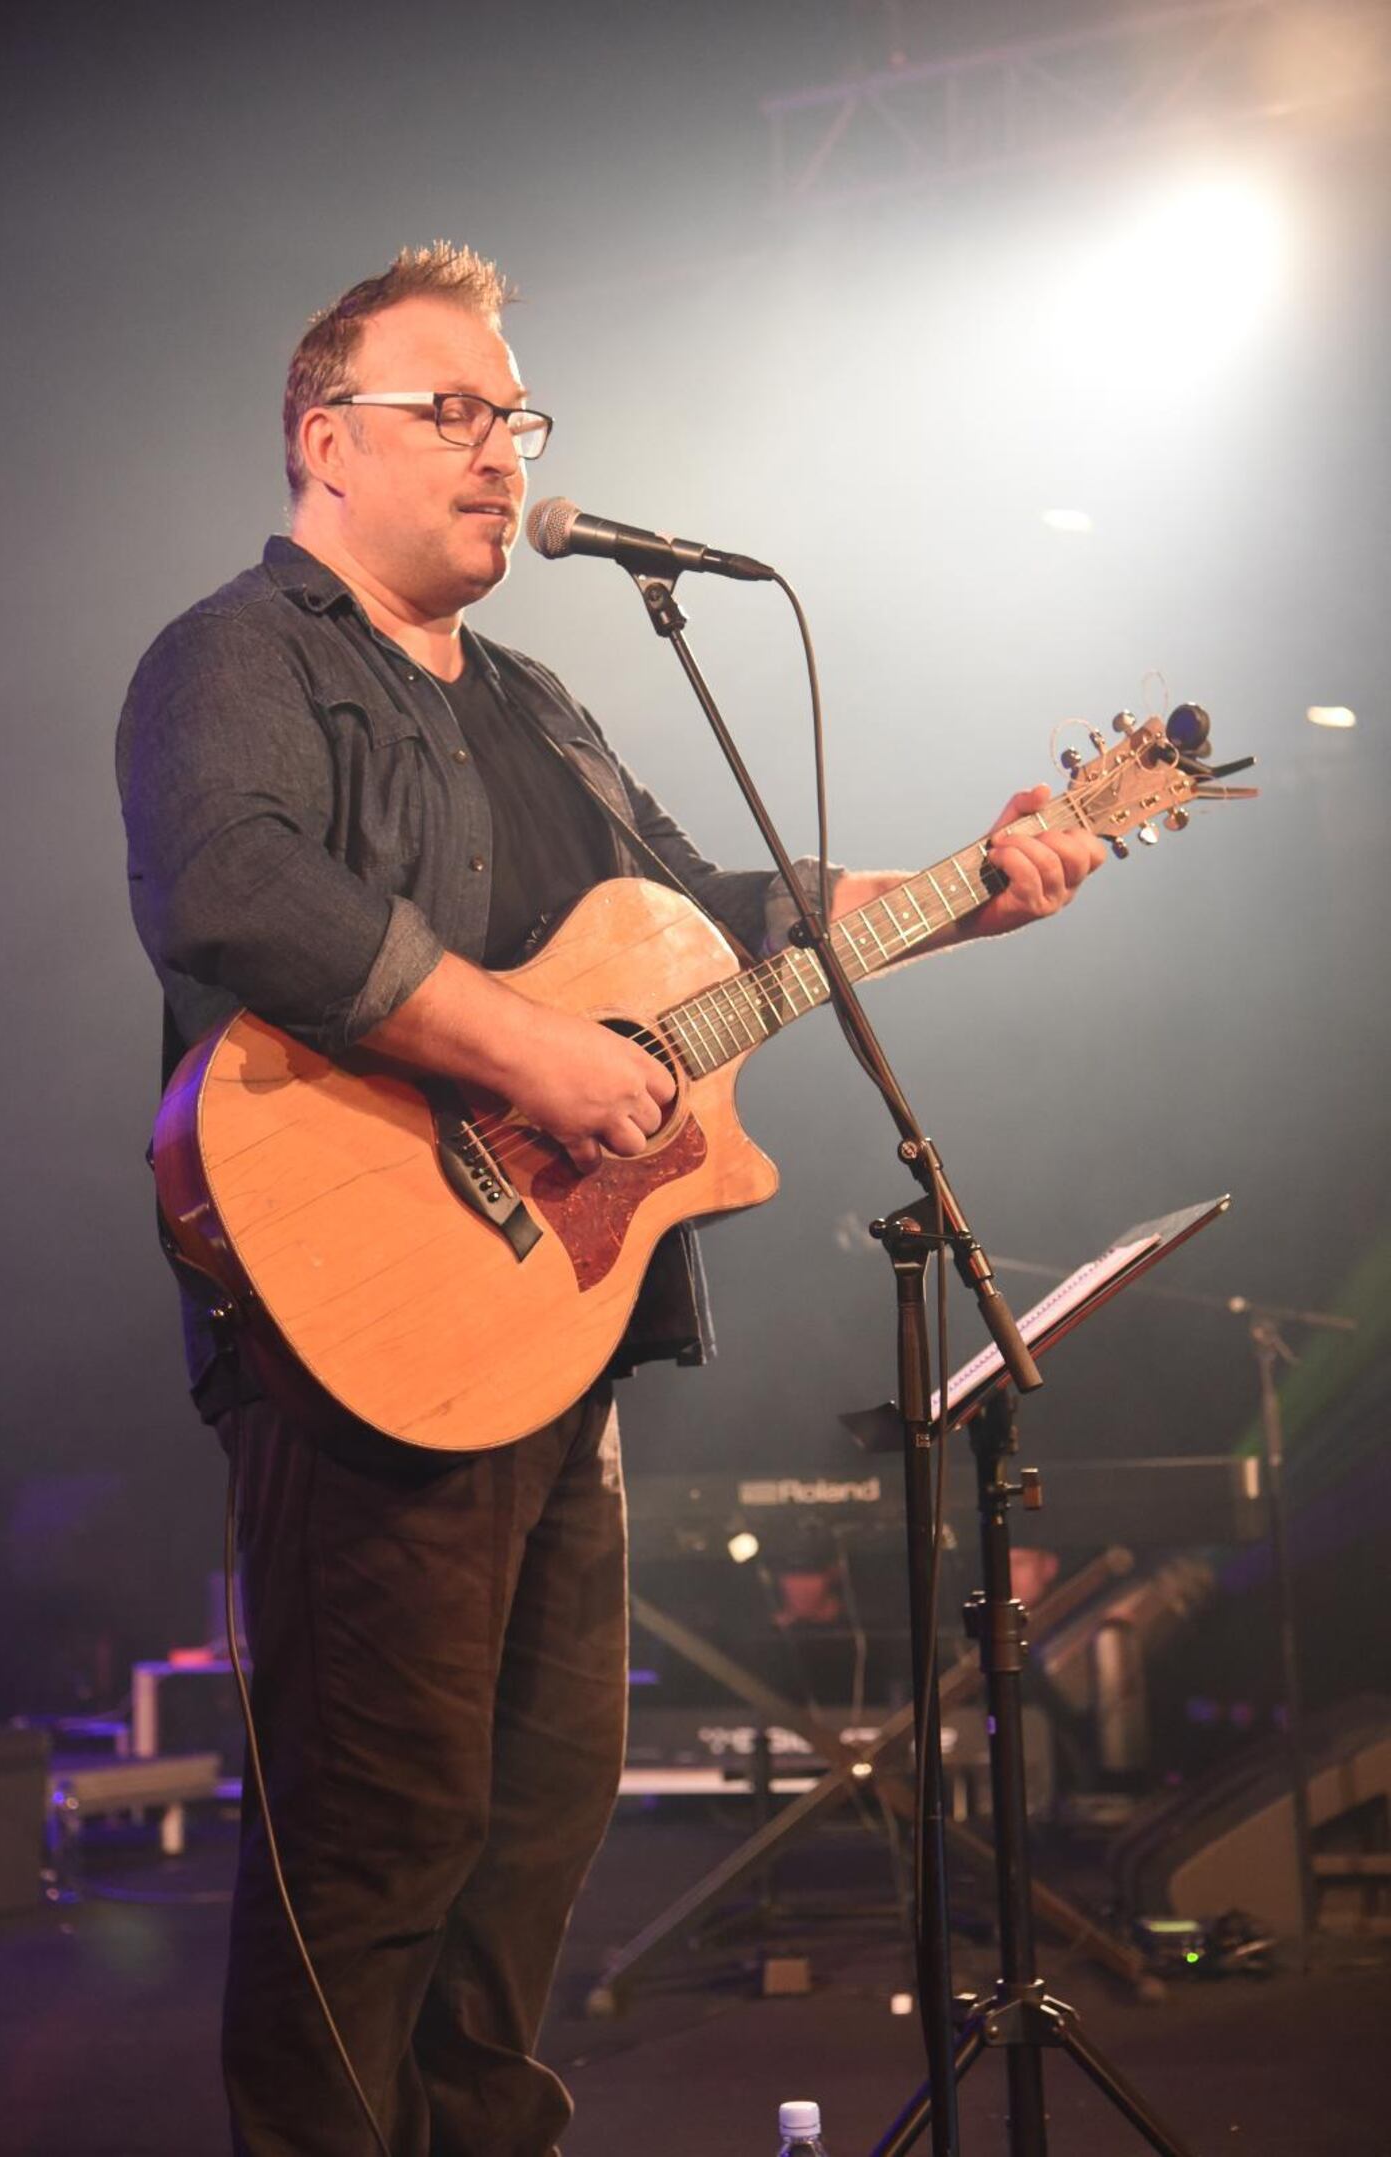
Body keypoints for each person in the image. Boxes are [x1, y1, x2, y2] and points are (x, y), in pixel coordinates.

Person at [116, 244, 1103, 2157]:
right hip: (354, 1331)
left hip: (552, 1342)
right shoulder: (236, 659)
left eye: (518, 417)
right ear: (328, 438)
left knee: (538, 1819)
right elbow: (230, 888)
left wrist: (957, 886)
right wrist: (525, 1053)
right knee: (377, 1837)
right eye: (454, 411)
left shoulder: (549, 697)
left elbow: (713, 927)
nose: (501, 449)